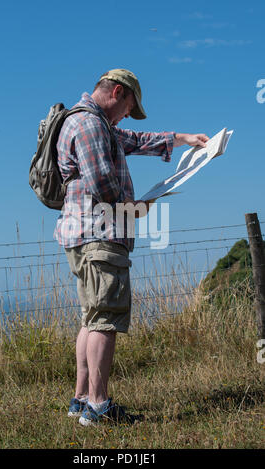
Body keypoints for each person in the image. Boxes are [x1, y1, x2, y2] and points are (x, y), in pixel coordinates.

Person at [54, 68, 209, 426]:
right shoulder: (91, 126)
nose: (126, 116)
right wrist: (137, 207)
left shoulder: (97, 124)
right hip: (99, 234)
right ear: (118, 93)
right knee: (106, 319)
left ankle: (81, 400)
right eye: (128, 108)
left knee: (91, 318)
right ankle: (98, 407)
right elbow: (104, 185)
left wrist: (183, 139)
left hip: (85, 235)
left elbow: (136, 139)